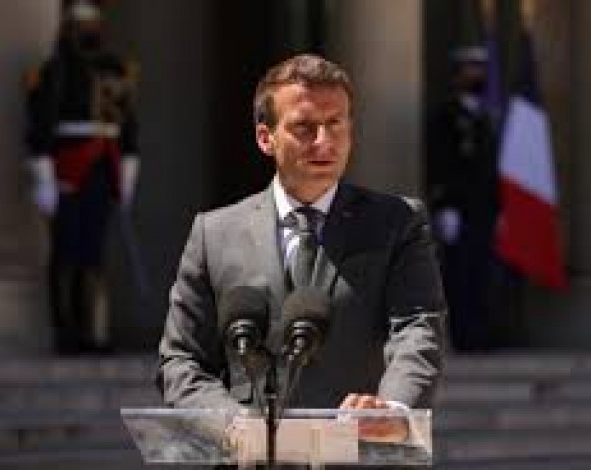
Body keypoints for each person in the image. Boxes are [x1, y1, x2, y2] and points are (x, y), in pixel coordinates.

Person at [157, 53, 446, 455]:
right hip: (249, 456)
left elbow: (417, 328)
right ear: (266, 137)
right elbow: (182, 360)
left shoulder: (398, 222)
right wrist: (231, 424)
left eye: (335, 124)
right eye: (304, 127)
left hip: (359, 451)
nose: (324, 141)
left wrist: (393, 408)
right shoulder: (214, 234)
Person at [25, 0, 140, 354]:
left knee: (93, 252)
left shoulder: (116, 70)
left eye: (91, 25)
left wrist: (127, 175)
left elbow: (128, 127)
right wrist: (44, 176)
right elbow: (40, 125)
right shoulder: (54, 72)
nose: (87, 33)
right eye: (80, 26)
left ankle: (94, 332)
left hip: (102, 167)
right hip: (68, 167)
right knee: (66, 249)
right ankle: (66, 332)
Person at [426, 45, 498, 352]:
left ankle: (482, 333)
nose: (477, 75)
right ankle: (463, 334)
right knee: (459, 273)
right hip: (457, 207)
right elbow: (441, 163)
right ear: (457, 75)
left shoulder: (486, 117)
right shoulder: (447, 117)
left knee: (482, 272)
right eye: (470, 69)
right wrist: (444, 204)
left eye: (480, 69)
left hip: (483, 209)